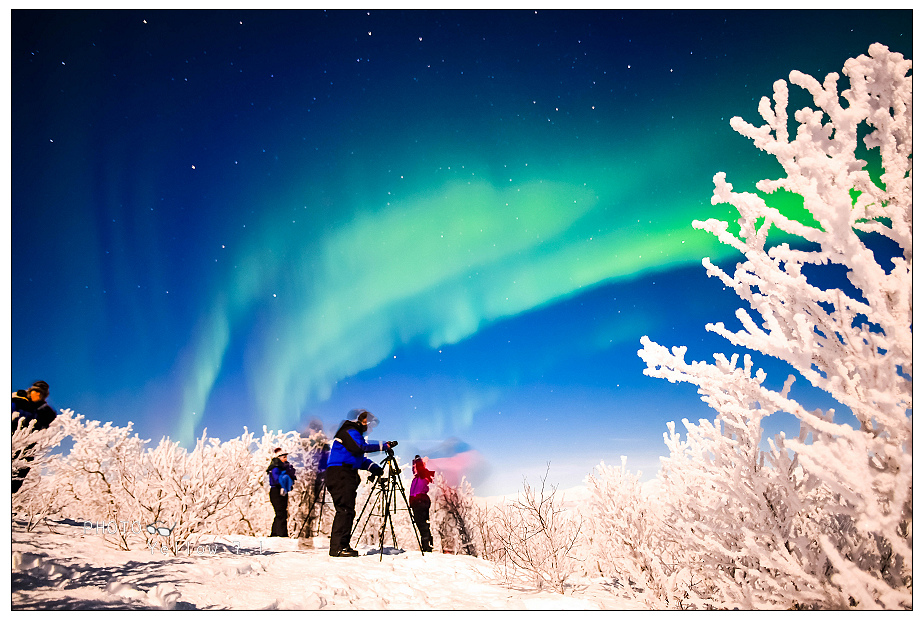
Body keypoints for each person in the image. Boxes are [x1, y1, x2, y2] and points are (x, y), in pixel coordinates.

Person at [325, 408, 397, 557]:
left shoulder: (351, 433)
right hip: (341, 473)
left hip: (344, 473)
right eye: (368, 423)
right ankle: (338, 547)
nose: (368, 428)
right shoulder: (349, 430)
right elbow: (360, 448)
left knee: (347, 511)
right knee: (345, 510)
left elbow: (358, 458)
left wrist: (374, 467)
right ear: (360, 420)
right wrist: (384, 445)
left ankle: (342, 546)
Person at [11, 381, 57, 493]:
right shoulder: (19, 402)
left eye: (40, 393)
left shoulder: (43, 411)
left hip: (27, 447)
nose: (36, 395)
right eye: (34, 391)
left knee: (15, 483)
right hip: (13, 439)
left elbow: (49, 418)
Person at [266, 448, 297, 537]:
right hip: (276, 490)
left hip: (282, 490)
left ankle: (276, 533)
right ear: (278, 457)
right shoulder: (275, 467)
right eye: (283, 457)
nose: (285, 459)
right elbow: (276, 479)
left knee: (282, 512)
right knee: (280, 513)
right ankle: (280, 534)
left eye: (286, 457)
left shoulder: (285, 467)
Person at [409, 455, 435, 552]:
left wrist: (419, 462)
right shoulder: (417, 477)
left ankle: (427, 545)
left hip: (421, 501)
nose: (414, 468)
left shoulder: (423, 474)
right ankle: (427, 544)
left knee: (421, 523)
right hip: (417, 501)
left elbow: (420, 470)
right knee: (420, 523)